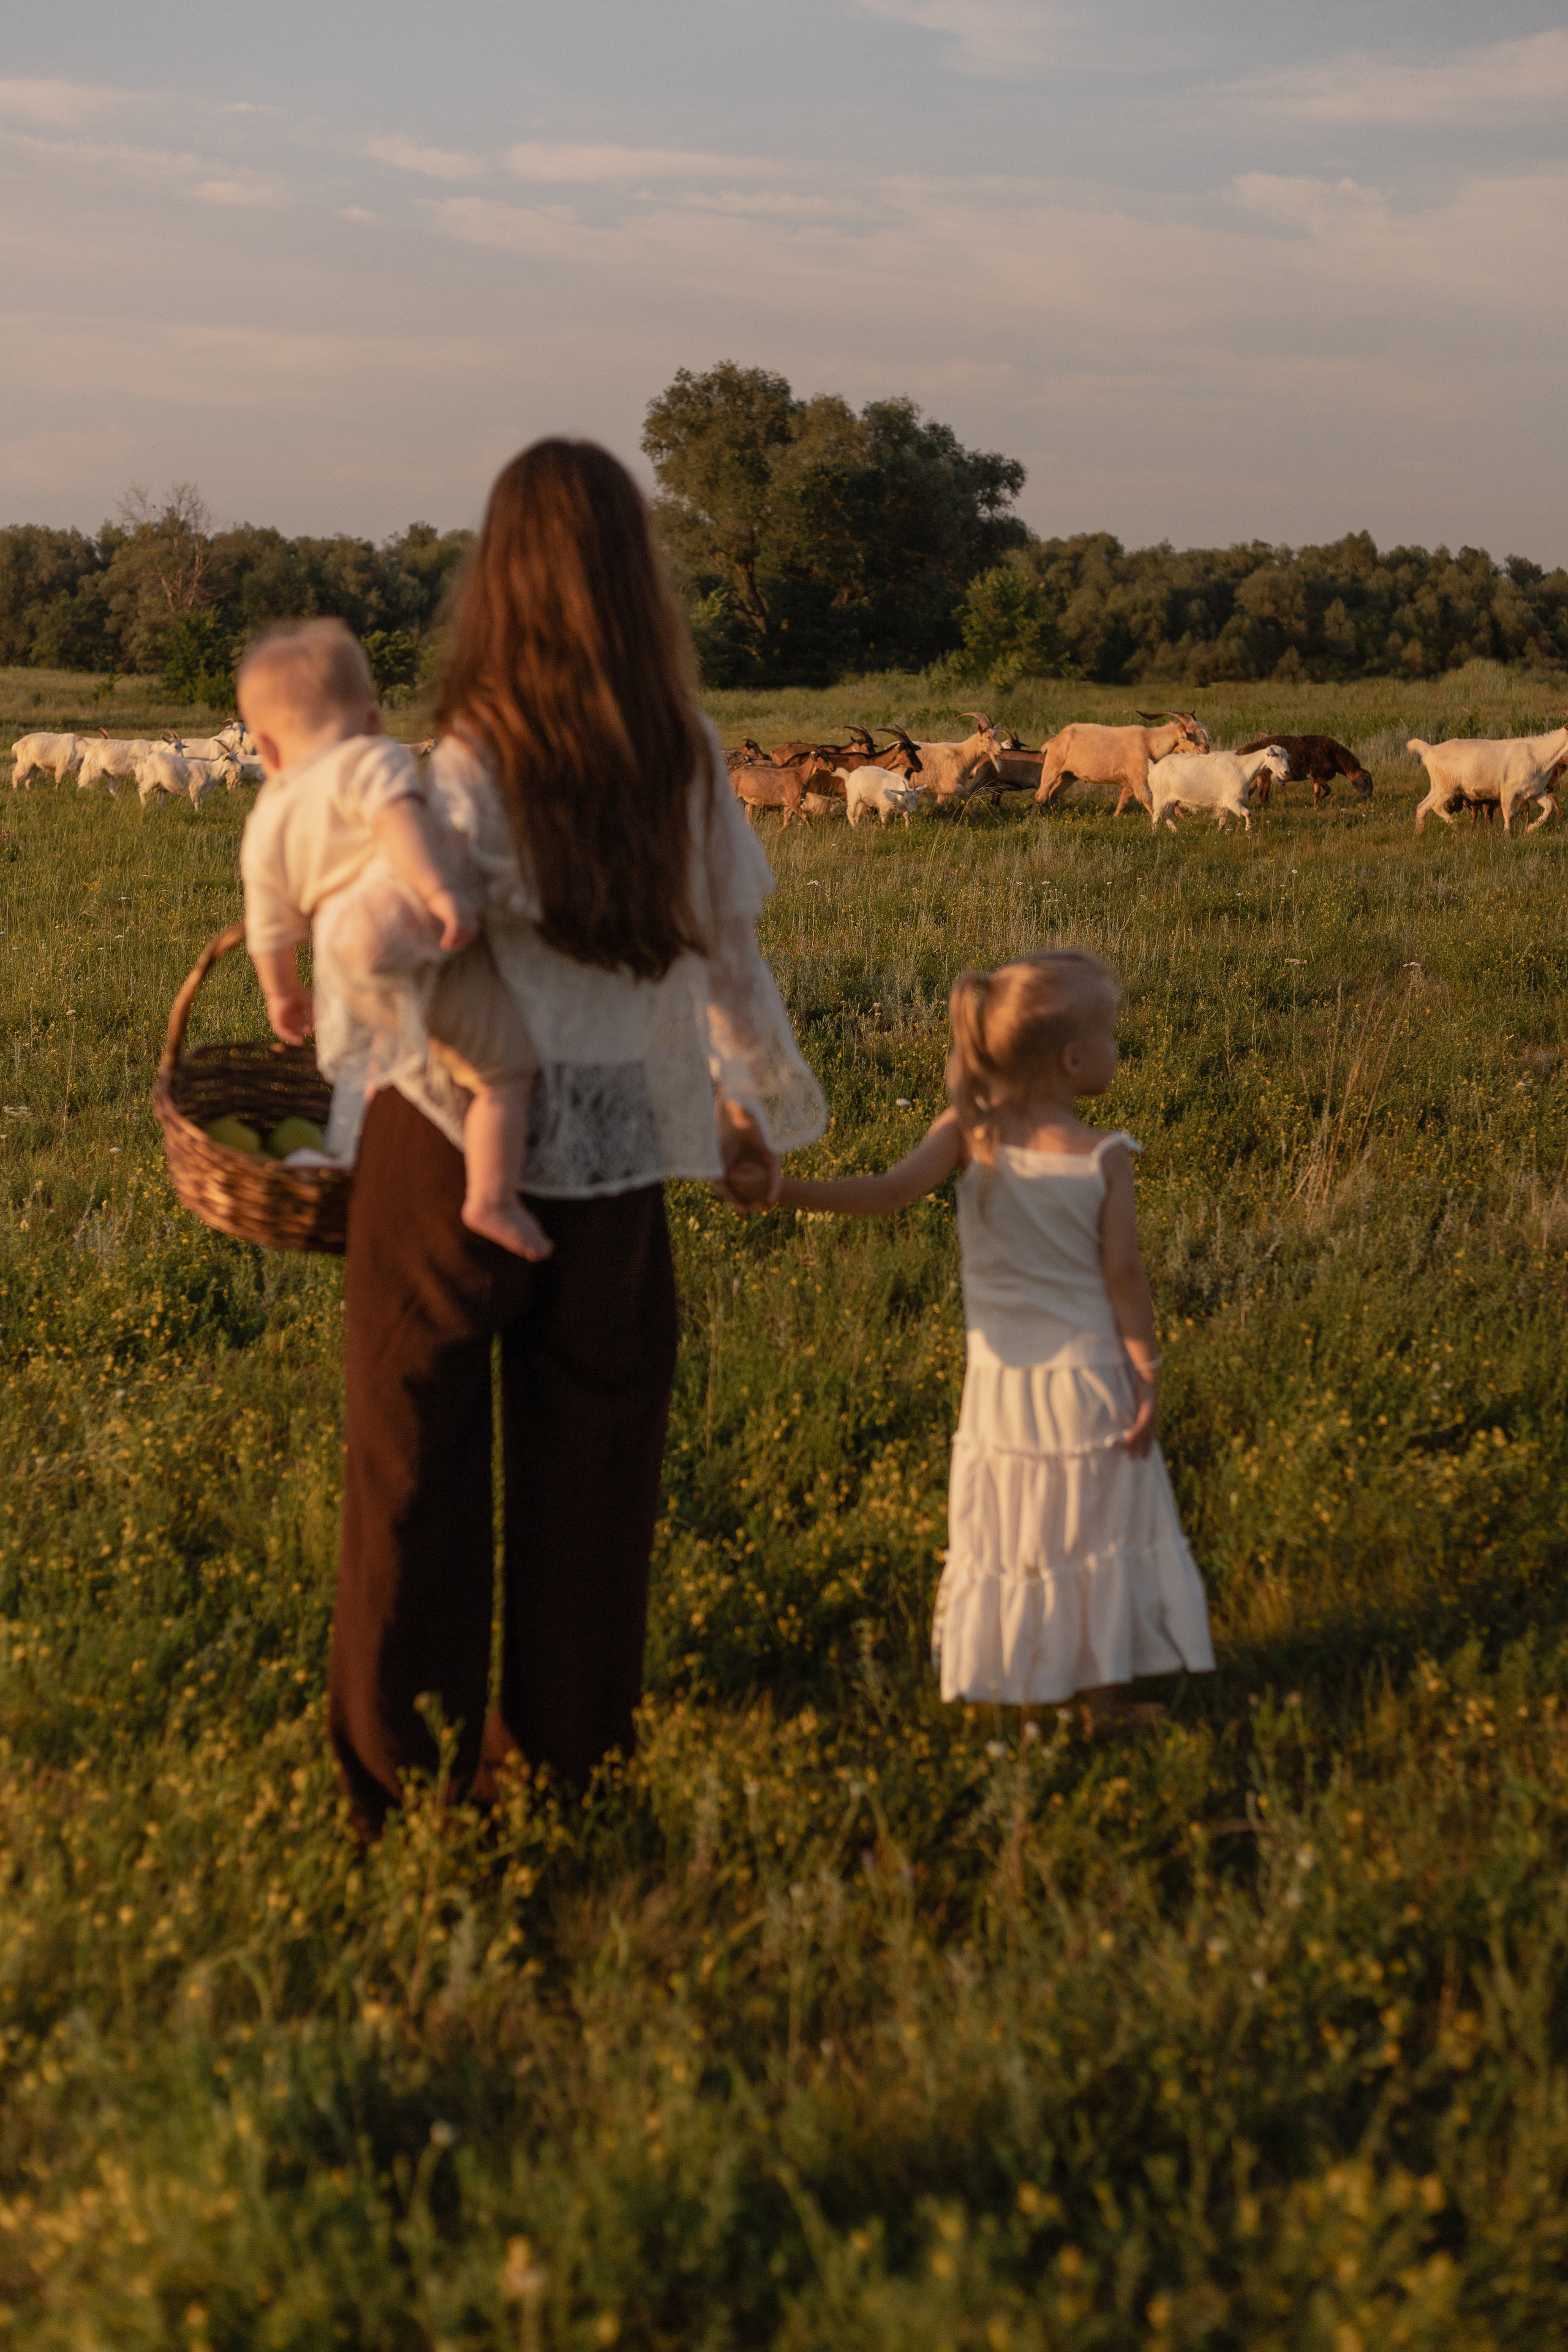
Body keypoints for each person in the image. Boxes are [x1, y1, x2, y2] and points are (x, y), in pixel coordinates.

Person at [325, 441, 827, 1834]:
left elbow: (377, 946)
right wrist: (748, 1111)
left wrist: (343, 974)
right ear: (633, 577)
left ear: (498, 579)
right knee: (595, 1461)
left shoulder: (468, 756)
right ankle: (568, 1763)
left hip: (448, 1146)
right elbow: (730, 961)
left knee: (413, 1465)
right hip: (614, 1153)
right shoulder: (681, 754)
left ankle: (399, 1790)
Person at [774, 951, 1213, 1717]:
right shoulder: (1105, 1158)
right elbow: (1125, 1279)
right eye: (1111, 1035)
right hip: (1090, 1379)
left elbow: (886, 1193)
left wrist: (783, 1191)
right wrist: (1146, 1370)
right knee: (1093, 1535)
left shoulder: (968, 1131)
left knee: (1021, 1532)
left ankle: (1021, 1681)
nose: (1118, 1047)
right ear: (1074, 1060)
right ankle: (1101, 1701)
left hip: (1001, 1388)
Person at [236, 619, 551, 1261]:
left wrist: (283, 994)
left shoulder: (266, 818)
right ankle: (491, 1196)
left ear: (266, 751)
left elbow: (267, 927)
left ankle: (343, 1162)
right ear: (374, 719)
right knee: (502, 1072)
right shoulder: (370, 758)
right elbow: (399, 822)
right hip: (396, 926)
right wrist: (441, 895)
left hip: (338, 958)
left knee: (371, 1072)